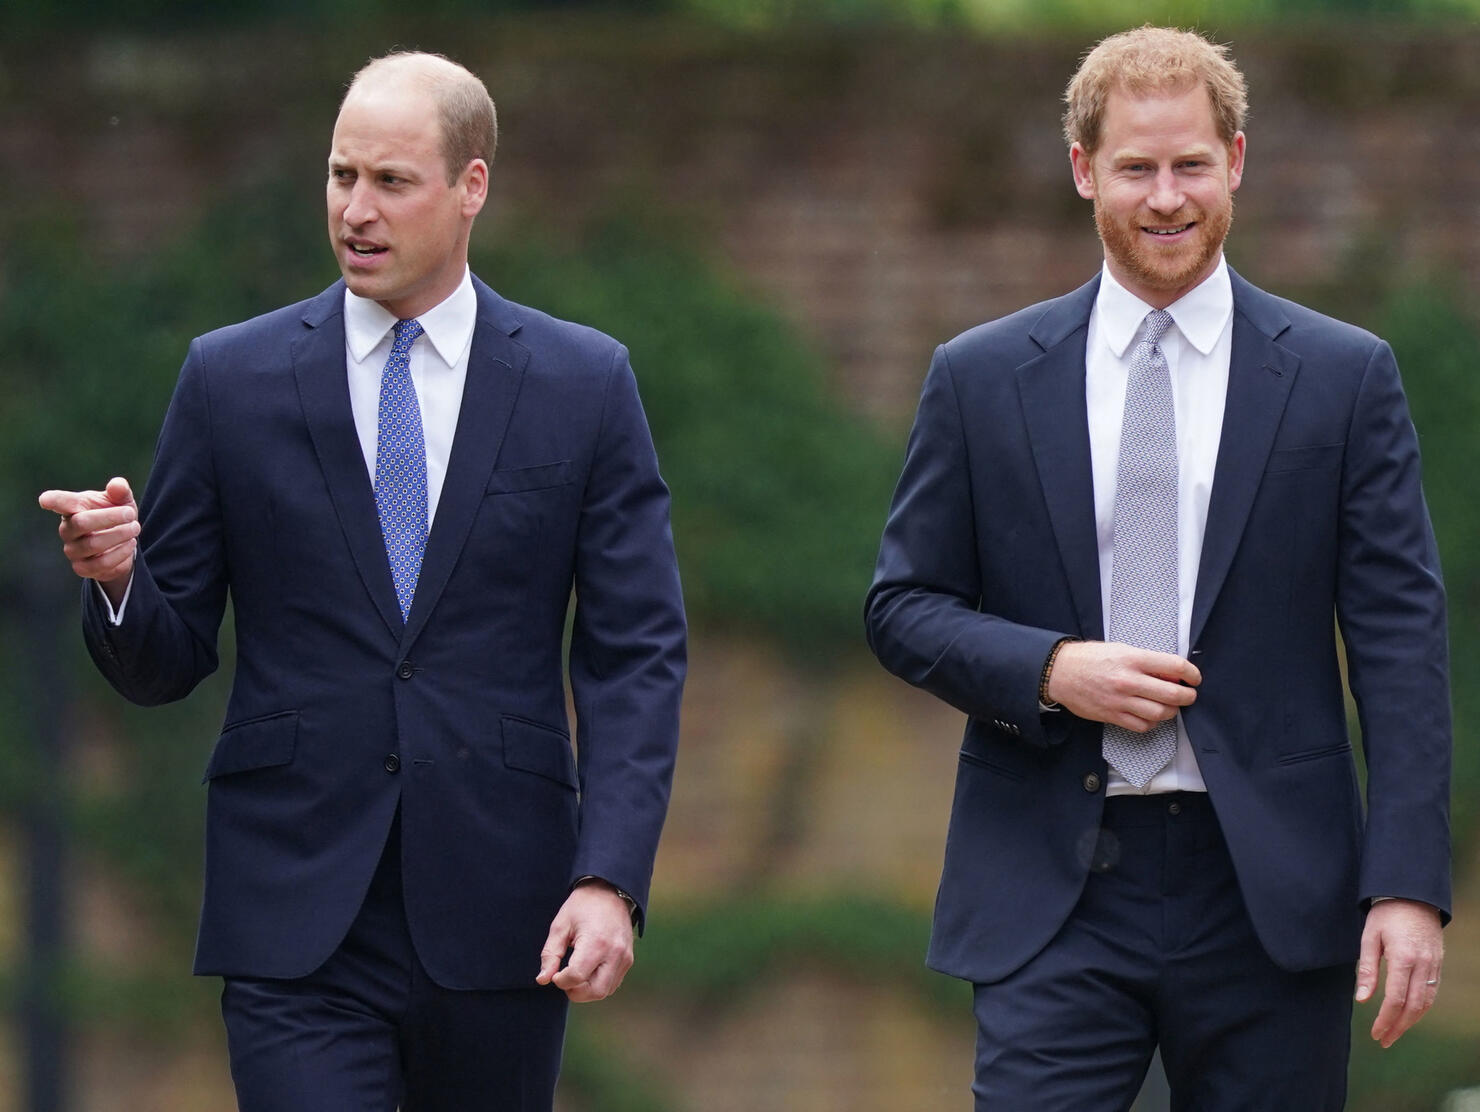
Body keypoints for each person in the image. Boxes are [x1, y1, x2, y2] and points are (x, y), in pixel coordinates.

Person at [39, 50, 686, 1111]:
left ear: (471, 187)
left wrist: (608, 876)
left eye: (391, 182)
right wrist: (117, 580)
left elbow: (635, 653)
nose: (355, 210)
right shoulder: (230, 378)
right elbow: (163, 659)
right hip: (292, 909)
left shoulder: (584, 385)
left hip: (502, 910)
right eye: (341, 177)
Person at [865, 26, 1450, 1111]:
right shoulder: (981, 376)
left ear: (1235, 159)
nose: (1165, 196)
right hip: (1051, 880)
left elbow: (1400, 644)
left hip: (1270, 888)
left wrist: (1408, 883)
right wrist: (1049, 667)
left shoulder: (1342, 377)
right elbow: (902, 606)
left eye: (1189, 164)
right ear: (1085, 170)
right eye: (1135, 167)